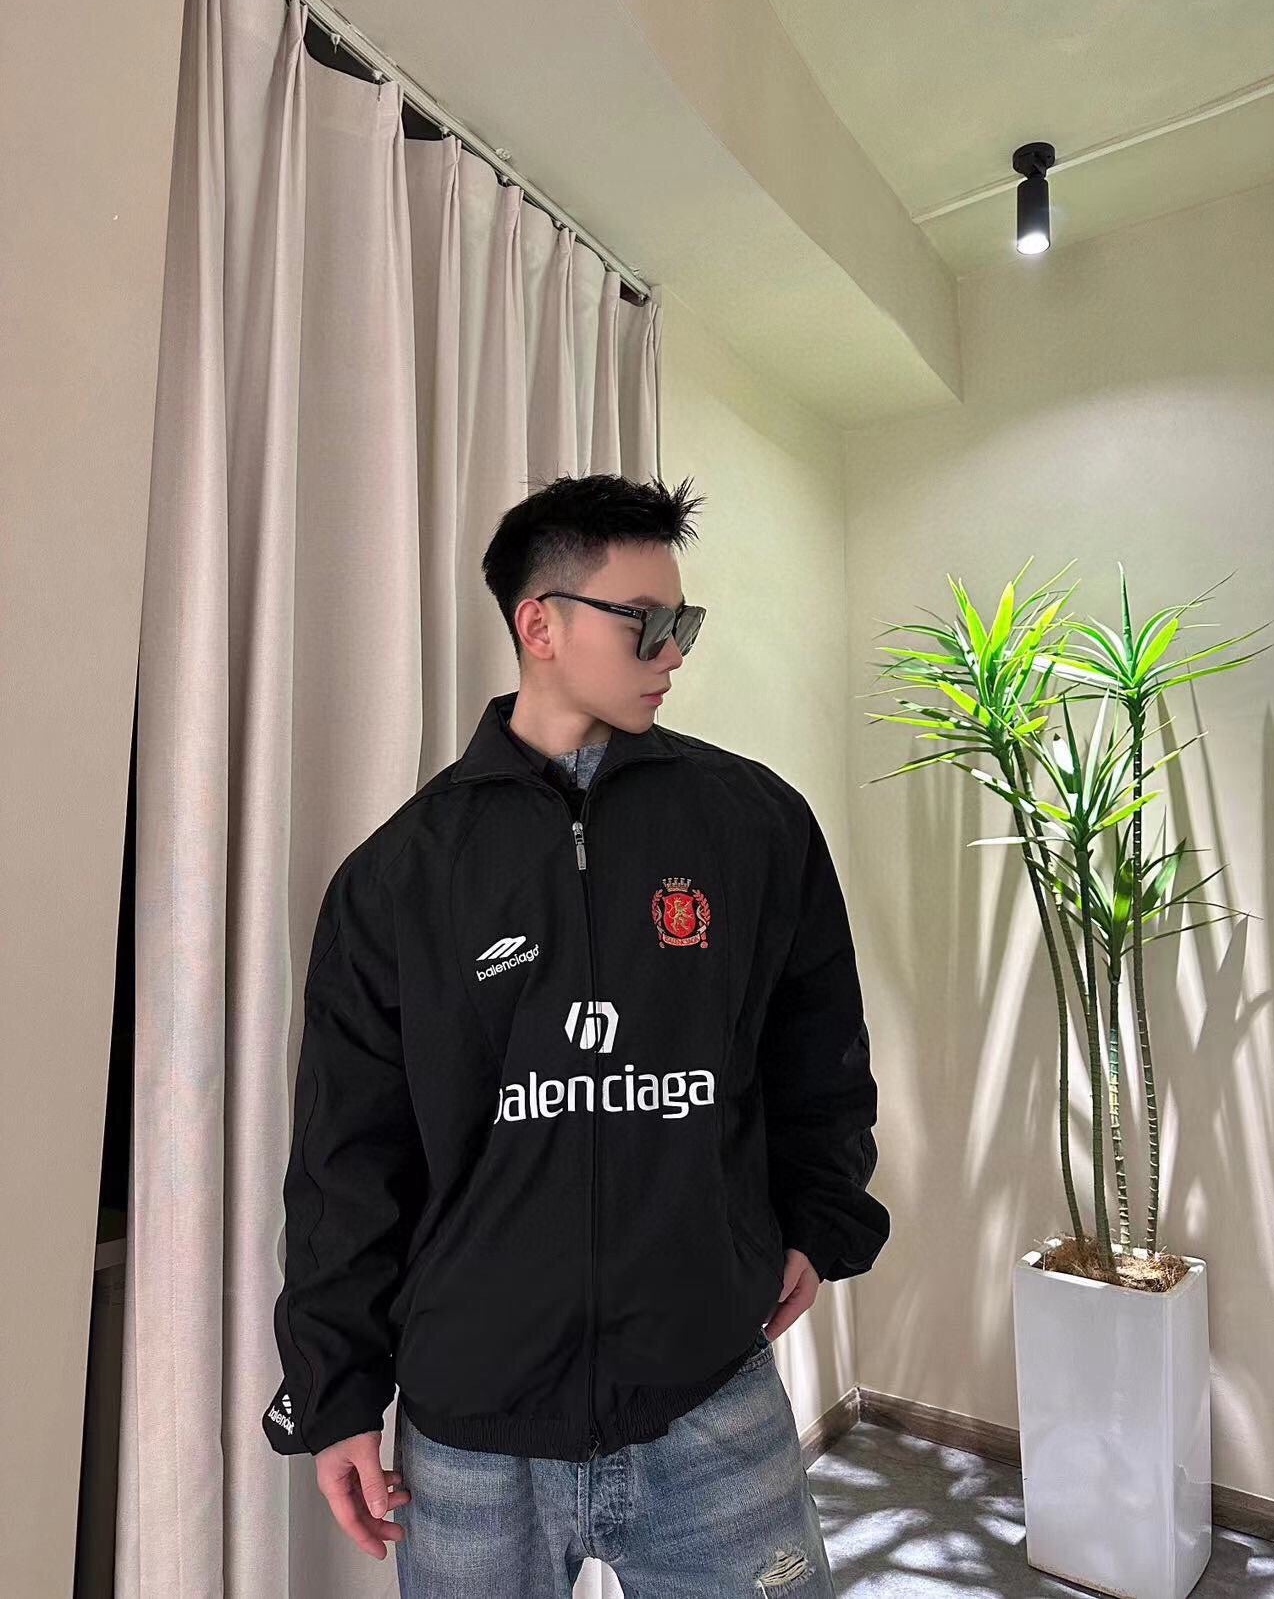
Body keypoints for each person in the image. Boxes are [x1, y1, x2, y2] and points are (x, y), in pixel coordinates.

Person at [261, 472, 890, 1594]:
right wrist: (337, 1390)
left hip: (710, 1398)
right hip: (472, 1431)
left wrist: (819, 1216)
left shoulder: (754, 825)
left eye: (681, 622)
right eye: (642, 621)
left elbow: (820, 1049)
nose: (671, 650)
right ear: (538, 625)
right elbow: (345, 1157)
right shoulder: (400, 876)